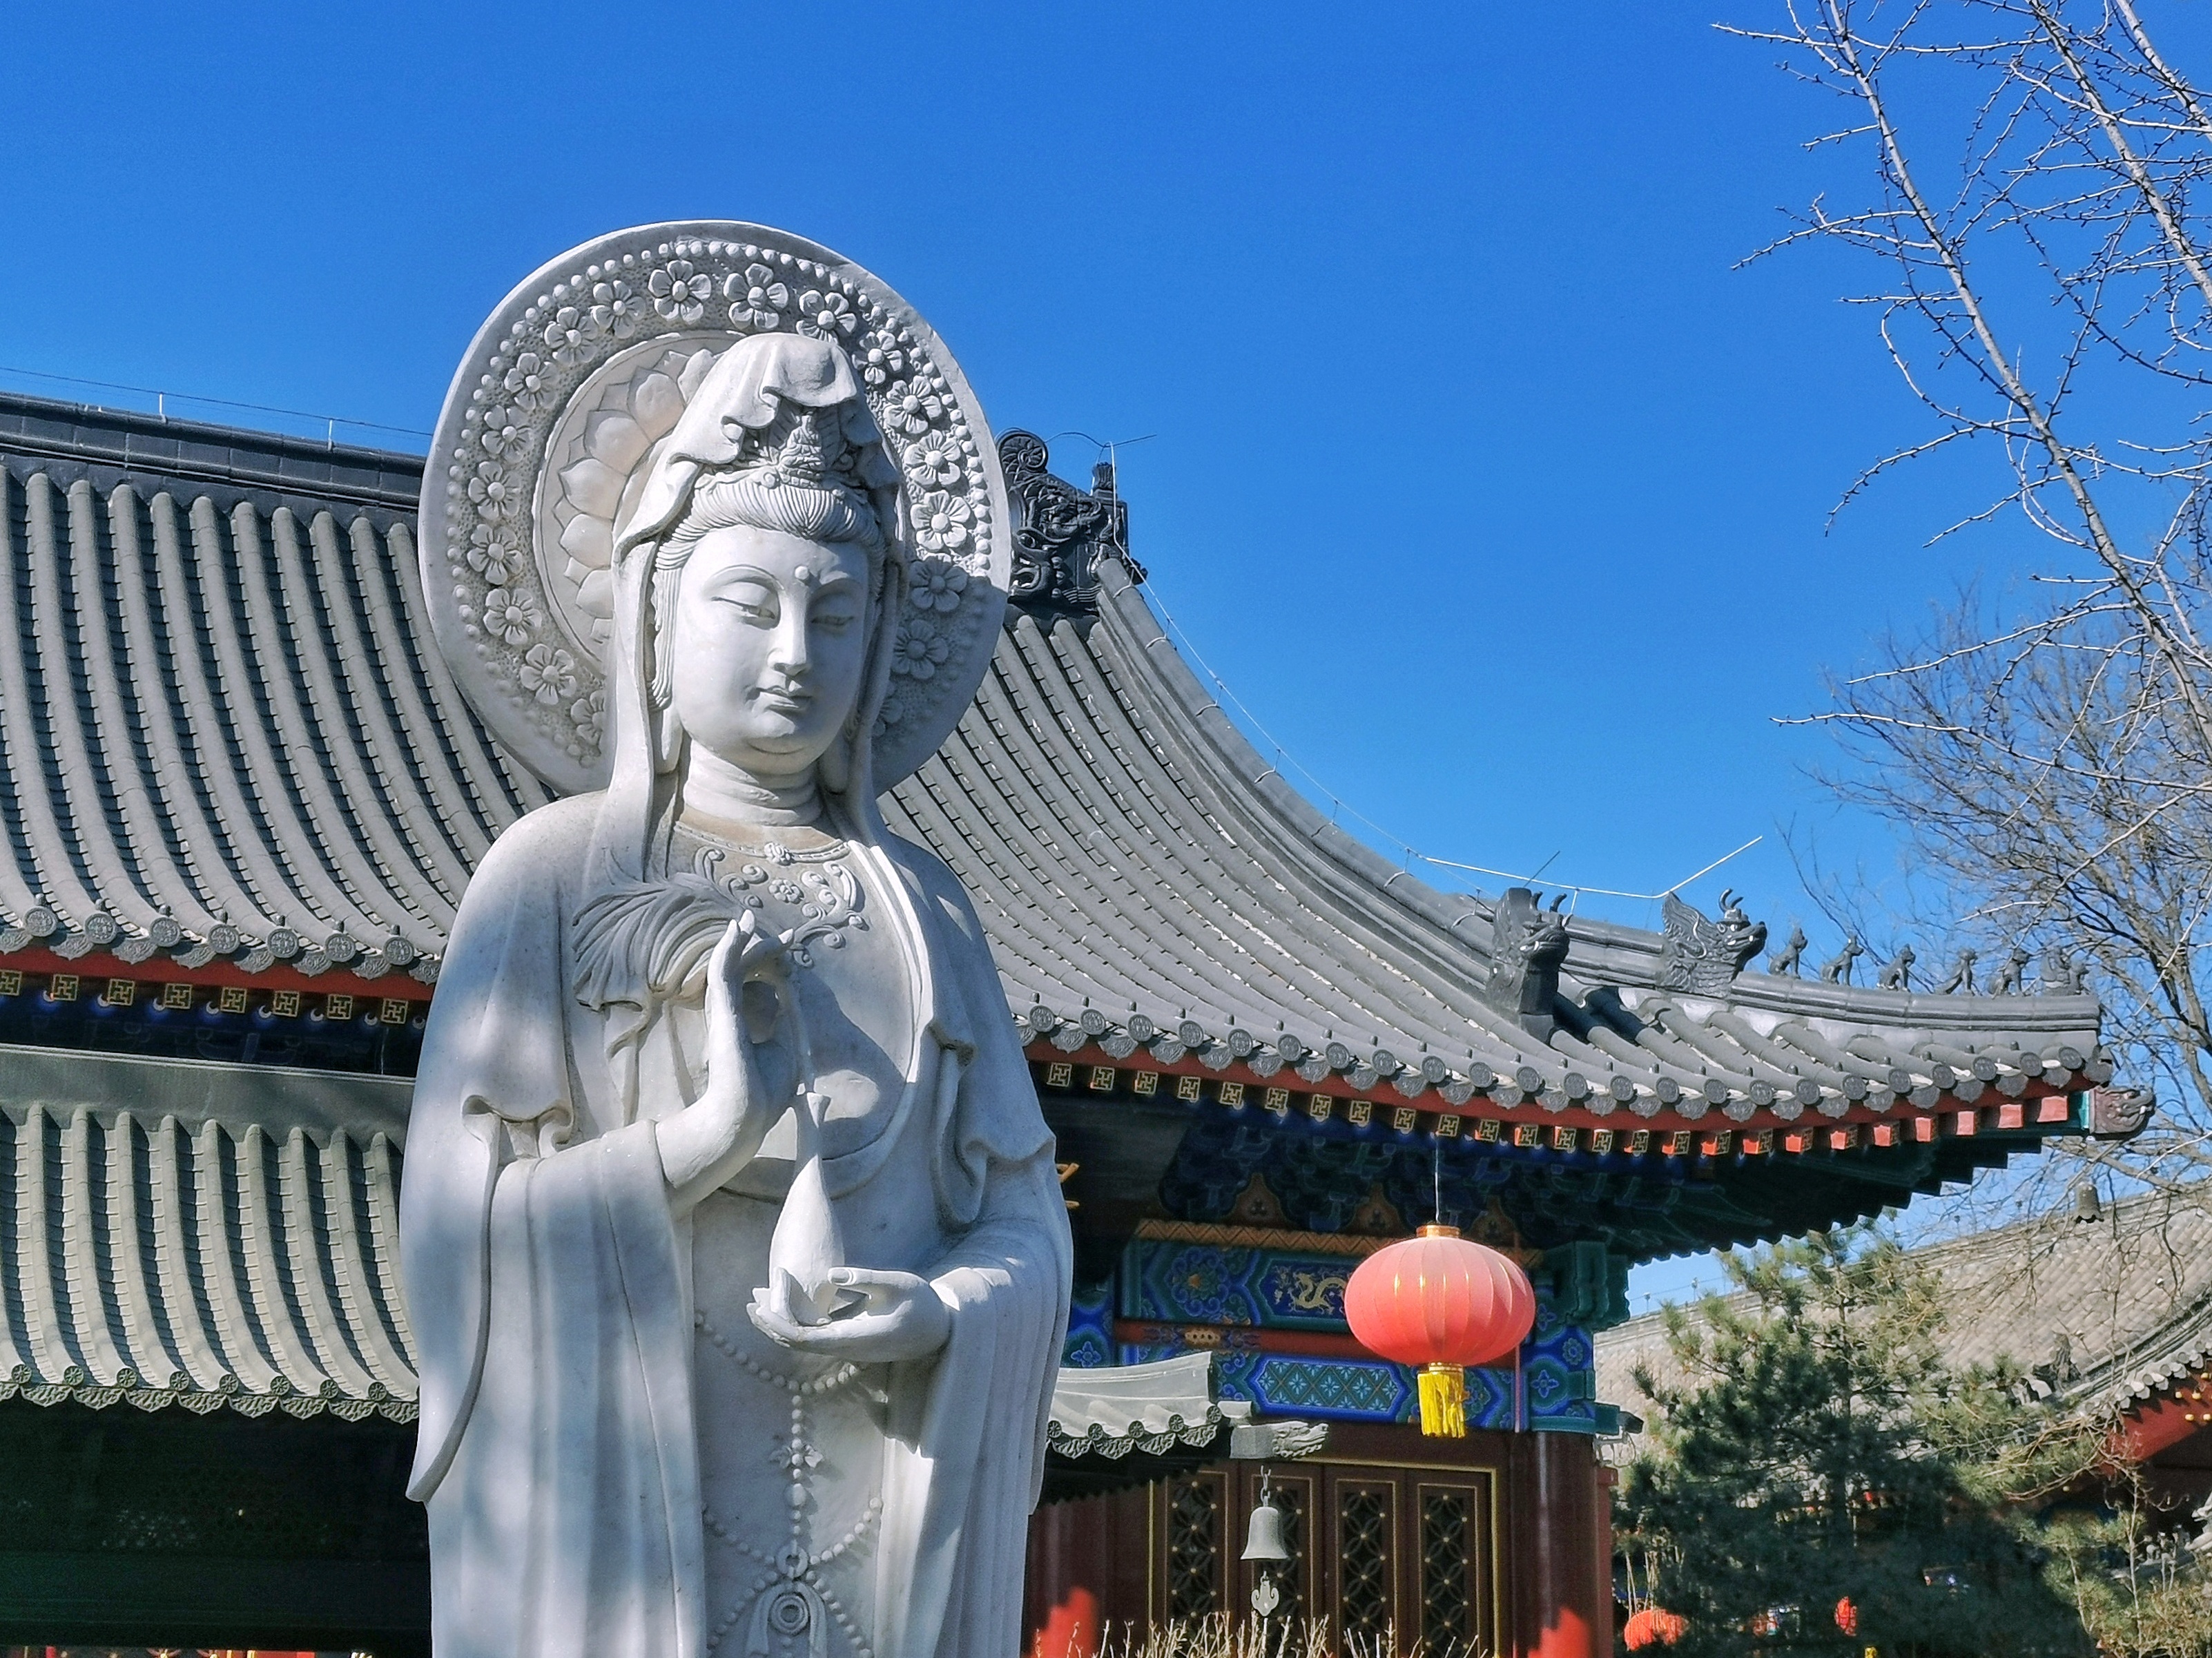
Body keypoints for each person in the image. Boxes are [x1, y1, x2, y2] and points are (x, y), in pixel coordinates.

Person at [399, 331, 1071, 1658]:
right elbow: (454, 1231)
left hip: (885, 1503)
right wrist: (696, 1146)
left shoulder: (923, 907)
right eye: (749, 604)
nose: (794, 653)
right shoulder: (557, 874)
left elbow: (1026, 1225)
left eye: (835, 613)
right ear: (656, 619)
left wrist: (947, 1313)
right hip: (638, 1516)